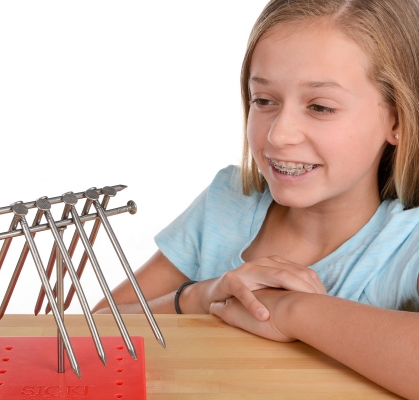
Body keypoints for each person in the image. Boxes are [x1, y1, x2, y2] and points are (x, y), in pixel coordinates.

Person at [93, 0, 419, 398]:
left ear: (398, 119)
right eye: (264, 101)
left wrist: (292, 311)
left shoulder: (407, 244)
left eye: (320, 107)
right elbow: (96, 327)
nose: (279, 135)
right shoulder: (228, 202)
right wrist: (203, 295)